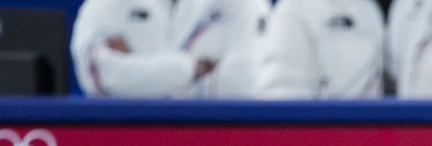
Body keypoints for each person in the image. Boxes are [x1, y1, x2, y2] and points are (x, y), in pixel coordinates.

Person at [71, 0, 269, 98]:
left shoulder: (245, 4)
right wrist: (194, 69)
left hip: (211, 145)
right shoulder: (106, 4)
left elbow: (246, 83)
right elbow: (97, 74)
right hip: (124, 142)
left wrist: (138, 80)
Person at [254, 0, 385, 99]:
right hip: (320, 131)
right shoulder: (293, 9)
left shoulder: (368, 8)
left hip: (372, 130)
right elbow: (281, 93)